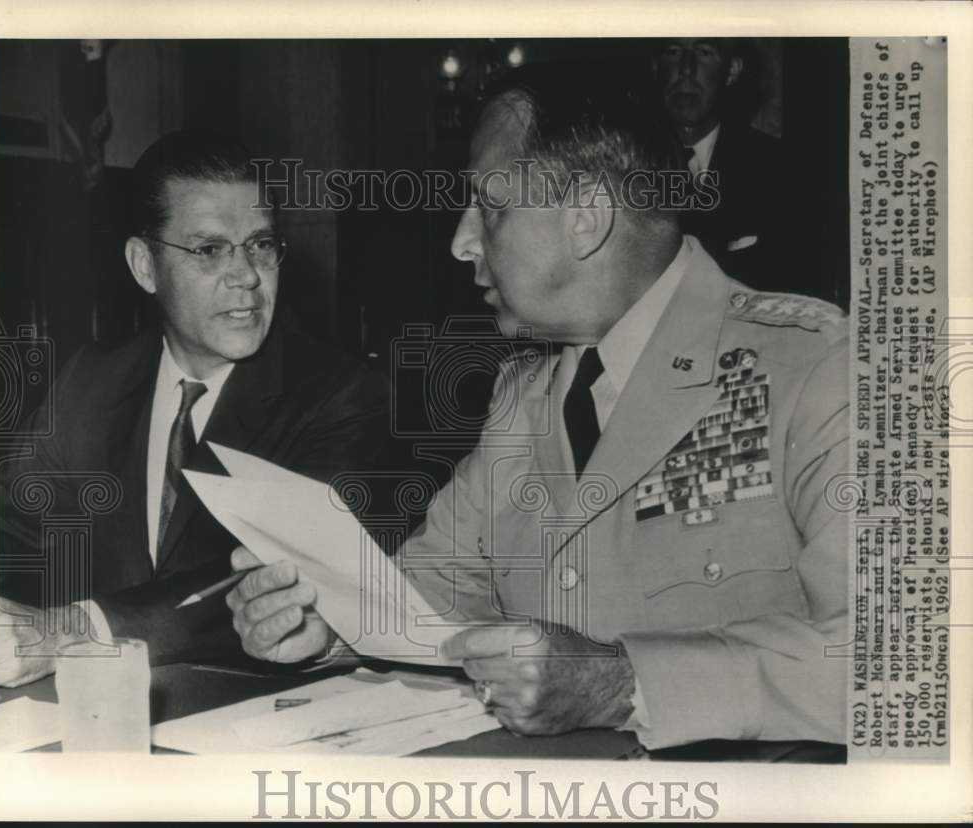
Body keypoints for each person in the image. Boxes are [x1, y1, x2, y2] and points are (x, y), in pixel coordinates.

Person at [227, 63, 849, 750]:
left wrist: (623, 683)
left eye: (489, 208)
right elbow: (436, 591)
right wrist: (327, 623)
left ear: (585, 218)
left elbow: (898, 665)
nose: (461, 241)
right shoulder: (523, 396)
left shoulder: (820, 371)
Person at [0, 130, 390, 688]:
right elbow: (8, 536)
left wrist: (73, 630)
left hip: (257, 730)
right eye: (209, 250)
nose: (247, 275)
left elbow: (269, 580)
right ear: (144, 266)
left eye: (261, 245)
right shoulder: (90, 384)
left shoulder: (343, 395)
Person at [650, 37, 783, 291]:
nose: (686, 69)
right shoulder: (624, 166)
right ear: (655, 67)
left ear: (732, 71)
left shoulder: (775, 164)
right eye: (673, 52)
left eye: (704, 52)